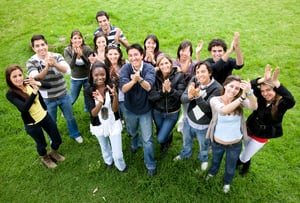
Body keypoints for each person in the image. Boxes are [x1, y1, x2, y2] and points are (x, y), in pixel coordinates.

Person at [237, 65, 295, 175]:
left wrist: (276, 83)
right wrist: (263, 80)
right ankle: (246, 163)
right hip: (250, 127)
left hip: (263, 135)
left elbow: (291, 101)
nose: (265, 93)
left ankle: (239, 163)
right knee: (246, 148)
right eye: (262, 90)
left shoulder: (281, 103)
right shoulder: (262, 97)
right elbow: (250, 86)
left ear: (276, 90)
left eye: (268, 90)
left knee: (244, 156)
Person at [27, 34, 83, 143]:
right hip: (47, 99)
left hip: (63, 94)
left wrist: (55, 64)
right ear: (33, 48)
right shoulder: (31, 62)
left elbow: (67, 71)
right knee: (51, 121)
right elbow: (37, 78)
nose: (41, 48)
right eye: (37, 46)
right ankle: (53, 139)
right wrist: (47, 66)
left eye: (43, 44)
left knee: (70, 117)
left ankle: (75, 134)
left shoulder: (56, 56)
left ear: (47, 45)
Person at [5, 65, 65, 168]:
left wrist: (36, 83)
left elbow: (49, 85)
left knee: (57, 139)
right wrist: (34, 91)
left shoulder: (29, 82)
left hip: (44, 115)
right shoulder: (11, 94)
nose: (19, 78)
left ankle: (53, 152)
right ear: (9, 79)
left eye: (20, 75)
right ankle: (45, 158)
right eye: (14, 77)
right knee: (41, 144)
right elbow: (24, 108)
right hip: (32, 124)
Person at [205, 75, 257, 193]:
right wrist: (242, 97)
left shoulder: (240, 101)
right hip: (217, 142)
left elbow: (254, 106)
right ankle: (212, 174)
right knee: (215, 161)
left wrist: (249, 93)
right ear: (225, 85)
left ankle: (227, 182)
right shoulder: (215, 100)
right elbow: (223, 110)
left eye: (237, 89)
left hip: (235, 144)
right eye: (231, 86)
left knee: (230, 166)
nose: (233, 90)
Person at [174, 61, 222, 171]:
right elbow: (183, 98)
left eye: (203, 71)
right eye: (197, 72)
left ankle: (203, 159)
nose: (199, 75)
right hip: (189, 121)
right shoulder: (195, 80)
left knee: (204, 146)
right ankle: (185, 154)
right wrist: (190, 96)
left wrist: (197, 96)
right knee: (186, 141)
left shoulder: (217, 89)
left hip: (203, 126)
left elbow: (207, 109)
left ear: (210, 73)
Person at [119, 43, 157, 176]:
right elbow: (123, 89)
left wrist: (139, 78)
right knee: (132, 131)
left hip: (145, 110)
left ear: (142, 55)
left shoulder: (149, 68)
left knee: (147, 139)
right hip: (129, 109)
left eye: (136, 55)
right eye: (130, 55)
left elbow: (148, 87)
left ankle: (150, 164)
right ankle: (135, 144)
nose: (133, 58)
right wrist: (133, 81)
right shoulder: (125, 68)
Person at [84, 62, 127, 172]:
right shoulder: (88, 91)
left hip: (113, 121)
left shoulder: (111, 86)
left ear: (106, 74)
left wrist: (116, 96)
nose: (100, 77)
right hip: (99, 123)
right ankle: (108, 161)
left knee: (117, 153)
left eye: (102, 74)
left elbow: (114, 109)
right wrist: (99, 103)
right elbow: (93, 113)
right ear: (92, 75)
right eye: (96, 75)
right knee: (104, 146)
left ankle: (121, 166)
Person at [148, 53, 185, 154]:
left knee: (160, 138)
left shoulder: (179, 76)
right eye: (161, 64)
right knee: (161, 132)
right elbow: (151, 96)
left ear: (171, 63)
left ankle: (168, 136)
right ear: (158, 66)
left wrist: (170, 90)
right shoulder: (154, 77)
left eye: (166, 63)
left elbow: (181, 97)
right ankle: (166, 142)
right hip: (157, 112)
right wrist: (162, 92)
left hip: (172, 113)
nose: (165, 66)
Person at [64, 30, 93, 112]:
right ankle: (66, 110)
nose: (77, 40)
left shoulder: (87, 49)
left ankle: (87, 110)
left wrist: (82, 55)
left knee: (87, 95)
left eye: (79, 38)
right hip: (76, 78)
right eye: (75, 38)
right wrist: (75, 54)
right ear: (71, 40)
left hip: (87, 77)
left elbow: (88, 65)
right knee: (73, 97)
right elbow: (71, 66)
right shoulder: (67, 50)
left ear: (82, 39)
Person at [172, 40, 196, 133]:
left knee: (186, 112)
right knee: (183, 112)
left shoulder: (193, 64)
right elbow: (182, 72)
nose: (184, 53)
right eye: (182, 50)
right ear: (179, 51)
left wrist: (197, 54)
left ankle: (183, 128)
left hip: (187, 93)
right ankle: (182, 126)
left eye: (187, 51)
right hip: (176, 91)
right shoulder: (174, 63)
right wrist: (188, 60)